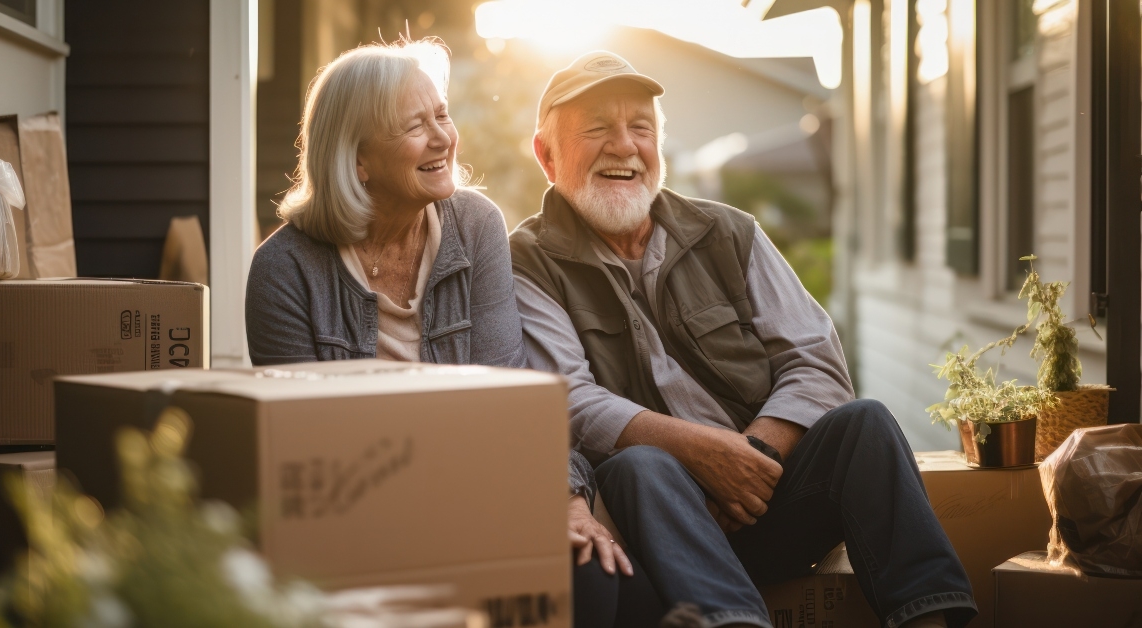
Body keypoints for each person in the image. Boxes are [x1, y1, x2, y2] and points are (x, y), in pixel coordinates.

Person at [510, 51, 978, 628]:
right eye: (597, 129)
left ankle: (933, 617)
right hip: (658, 533)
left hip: (766, 498)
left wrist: (750, 460)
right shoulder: (527, 263)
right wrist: (704, 456)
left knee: (866, 422)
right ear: (547, 155)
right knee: (642, 468)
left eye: (641, 128)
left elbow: (817, 359)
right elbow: (569, 400)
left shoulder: (729, 232)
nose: (625, 146)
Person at [244, 40, 662, 628]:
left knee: (609, 579)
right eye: (416, 125)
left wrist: (565, 500)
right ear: (356, 158)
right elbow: (304, 455)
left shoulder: (474, 224)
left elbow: (510, 394)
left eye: (442, 114)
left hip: (483, 496)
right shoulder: (284, 271)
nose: (443, 137)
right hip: (361, 521)